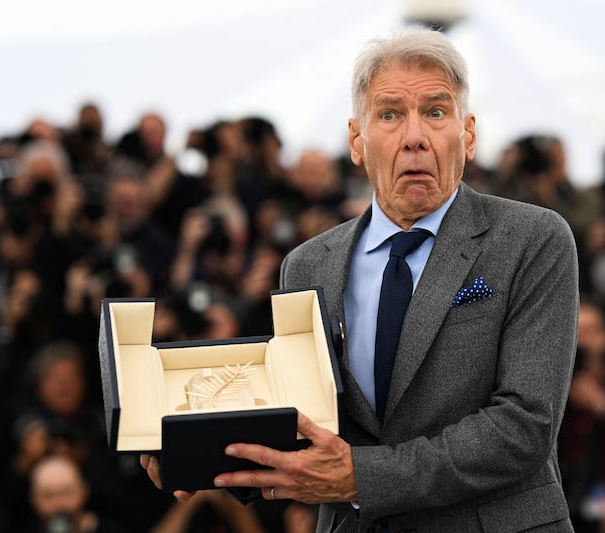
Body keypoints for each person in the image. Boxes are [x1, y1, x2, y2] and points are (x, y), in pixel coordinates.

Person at [143, 27, 579, 532]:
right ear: (357, 140)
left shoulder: (534, 238)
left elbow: (525, 426)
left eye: (436, 112)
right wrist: (210, 458)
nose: (415, 136)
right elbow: (308, 431)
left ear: (469, 134)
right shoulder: (307, 266)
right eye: (390, 114)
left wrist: (361, 478)